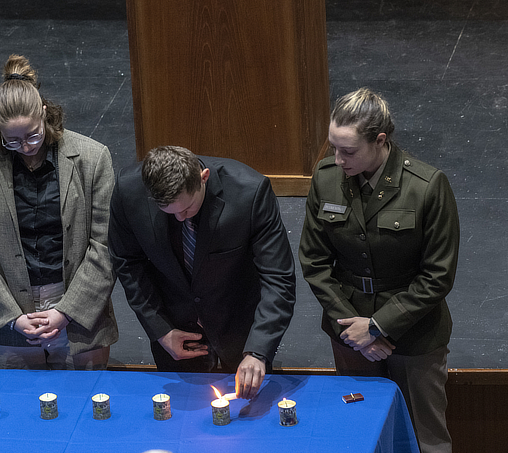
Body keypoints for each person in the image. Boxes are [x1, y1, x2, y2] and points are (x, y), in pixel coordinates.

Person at [299, 87, 458, 453]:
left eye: (349, 150)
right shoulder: (325, 178)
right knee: (360, 433)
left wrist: (376, 327)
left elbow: (438, 275)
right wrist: (353, 329)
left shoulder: (426, 187)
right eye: (333, 147)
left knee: (426, 438)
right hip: (348, 331)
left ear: (380, 140)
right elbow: (314, 261)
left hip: (414, 333)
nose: (338, 159)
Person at [0, 54, 118, 370]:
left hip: (79, 314)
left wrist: (65, 311)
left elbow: (105, 246)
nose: (27, 146)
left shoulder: (93, 157)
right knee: (17, 412)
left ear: (44, 113)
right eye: (13, 140)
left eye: (33, 134)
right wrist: (14, 318)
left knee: (82, 409)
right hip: (13, 316)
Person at [109, 145, 296, 399]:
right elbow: (127, 262)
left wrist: (258, 350)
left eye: (186, 209)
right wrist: (160, 329)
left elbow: (278, 277)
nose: (180, 219)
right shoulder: (128, 190)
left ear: (203, 177)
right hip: (176, 331)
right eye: (170, 212)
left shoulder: (250, 191)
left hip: (239, 329)